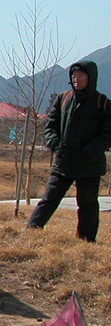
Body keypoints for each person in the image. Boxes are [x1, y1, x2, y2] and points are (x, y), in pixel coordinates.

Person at [27, 60, 111, 242]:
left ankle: (86, 241)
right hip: (63, 161)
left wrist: (90, 150)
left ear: (91, 78)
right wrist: (55, 144)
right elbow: (50, 125)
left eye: (81, 75)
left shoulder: (103, 103)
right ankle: (32, 231)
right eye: (73, 76)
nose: (76, 79)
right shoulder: (63, 99)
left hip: (89, 164)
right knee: (49, 199)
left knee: (87, 204)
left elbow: (107, 133)